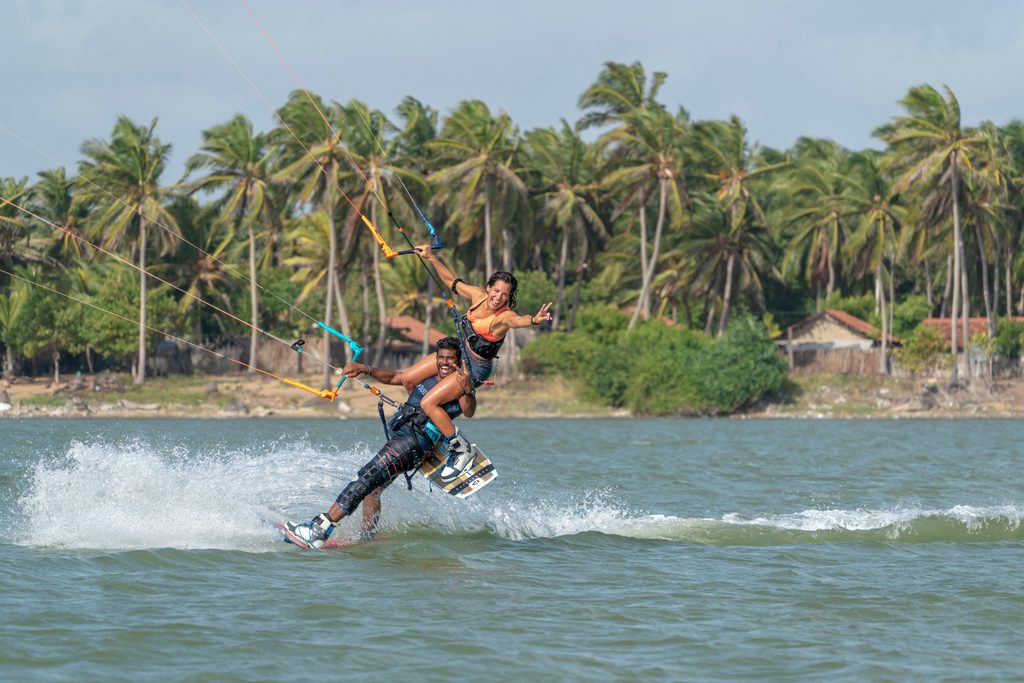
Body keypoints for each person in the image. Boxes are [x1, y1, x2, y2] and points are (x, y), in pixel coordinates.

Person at [285, 337, 476, 549]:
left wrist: (468, 389)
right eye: (441, 357)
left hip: (413, 443)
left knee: (366, 476)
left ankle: (319, 529)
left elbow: (468, 410)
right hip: (404, 439)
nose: (445, 363)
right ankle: (368, 536)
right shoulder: (429, 378)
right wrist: (365, 369)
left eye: (450, 359)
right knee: (373, 489)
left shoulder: (458, 384)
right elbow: (396, 377)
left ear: (458, 360)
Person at [399, 244, 552, 477]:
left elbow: (518, 321)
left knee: (428, 403)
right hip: (460, 353)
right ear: (489, 287)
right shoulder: (478, 296)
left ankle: (460, 449)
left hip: (475, 367)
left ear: (509, 297)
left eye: (505, 294)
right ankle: (431, 429)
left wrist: (534, 319)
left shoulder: (504, 317)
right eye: (496, 291)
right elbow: (452, 281)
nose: (499, 297)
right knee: (409, 379)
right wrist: (431, 257)